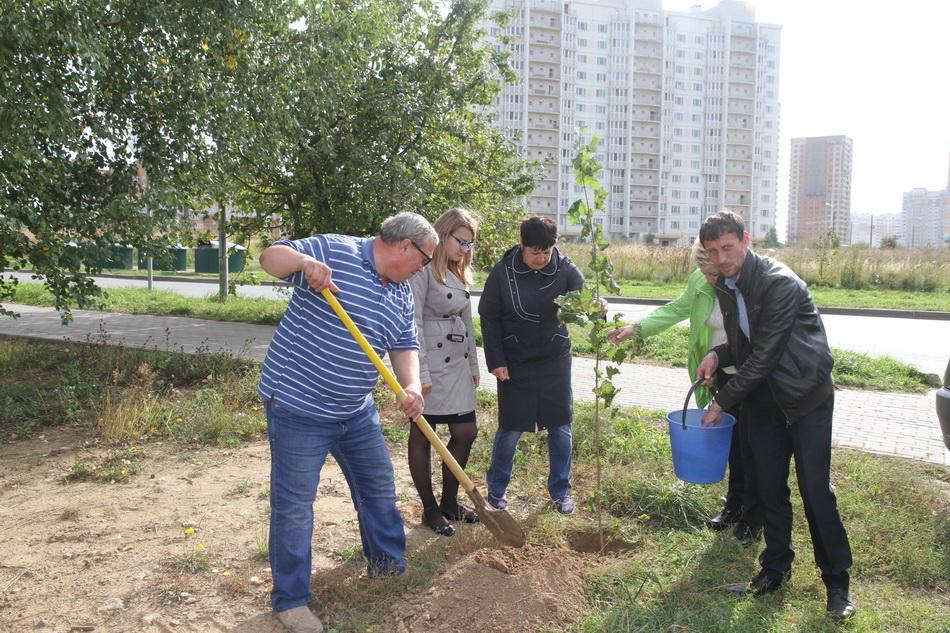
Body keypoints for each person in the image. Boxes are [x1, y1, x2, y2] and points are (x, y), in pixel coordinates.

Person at [257, 212, 437, 633]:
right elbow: (269, 258)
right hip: (299, 406)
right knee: (295, 507)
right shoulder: (334, 250)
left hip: (355, 410)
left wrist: (410, 386)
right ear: (406, 246)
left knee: (378, 488)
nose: (423, 268)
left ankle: (388, 566)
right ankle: (291, 601)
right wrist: (302, 264)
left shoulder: (401, 292)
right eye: (425, 259)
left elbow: (404, 342)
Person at [695, 210, 855, 620]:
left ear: (746, 240)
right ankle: (774, 569)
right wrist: (718, 353)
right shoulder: (727, 287)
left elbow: (765, 355)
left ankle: (837, 584)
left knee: (815, 489)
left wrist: (721, 401)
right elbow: (747, 346)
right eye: (713, 251)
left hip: (805, 396)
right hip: (765, 399)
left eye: (728, 247)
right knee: (768, 487)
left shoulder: (779, 283)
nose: (722, 258)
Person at [606, 240, 761, 544]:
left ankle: (754, 519)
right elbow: (678, 308)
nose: (709, 279)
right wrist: (636, 329)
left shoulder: (748, 283)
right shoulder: (700, 279)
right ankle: (734, 507)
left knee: (753, 447)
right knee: (733, 446)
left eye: (714, 273)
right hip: (721, 373)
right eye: (704, 271)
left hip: (754, 376)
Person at [479, 216, 587, 515]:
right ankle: (497, 489)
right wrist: (496, 360)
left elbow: (585, 301)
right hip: (515, 359)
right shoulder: (503, 272)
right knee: (511, 428)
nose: (540, 258)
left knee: (560, 426)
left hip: (554, 358)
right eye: (534, 251)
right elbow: (488, 315)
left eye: (546, 251)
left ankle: (560, 491)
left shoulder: (565, 268)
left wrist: (597, 307)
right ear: (522, 246)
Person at [407, 208, 481, 536]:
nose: (465, 249)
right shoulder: (422, 270)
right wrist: (419, 374)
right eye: (460, 241)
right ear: (443, 234)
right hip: (431, 366)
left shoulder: (458, 271)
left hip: (457, 365)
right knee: (424, 434)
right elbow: (413, 323)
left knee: (466, 432)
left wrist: (474, 365)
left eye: (469, 244)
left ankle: (449, 501)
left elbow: (466, 321)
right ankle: (430, 509)